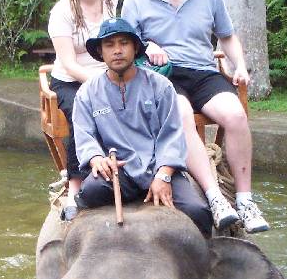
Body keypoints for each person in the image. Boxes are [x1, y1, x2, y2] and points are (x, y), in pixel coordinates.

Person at [121, 0, 269, 233]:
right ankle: (215, 197)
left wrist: (240, 66)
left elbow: (226, 36)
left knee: (236, 115)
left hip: (203, 71)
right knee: (182, 114)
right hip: (161, 76)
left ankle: (245, 200)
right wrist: (147, 46)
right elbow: (125, 44)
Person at [72, 17, 213, 238]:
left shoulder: (161, 86)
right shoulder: (87, 92)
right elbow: (84, 134)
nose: (117, 50)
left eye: (124, 43)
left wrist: (164, 175)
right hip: (119, 171)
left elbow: (172, 135)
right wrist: (96, 159)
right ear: (100, 51)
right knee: (91, 191)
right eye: (109, 45)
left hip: (157, 166)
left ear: (135, 47)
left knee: (198, 212)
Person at [48, 0, 119, 222]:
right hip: (72, 80)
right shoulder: (62, 11)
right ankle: (74, 188)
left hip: (108, 72)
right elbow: (69, 64)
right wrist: (104, 82)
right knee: (83, 111)